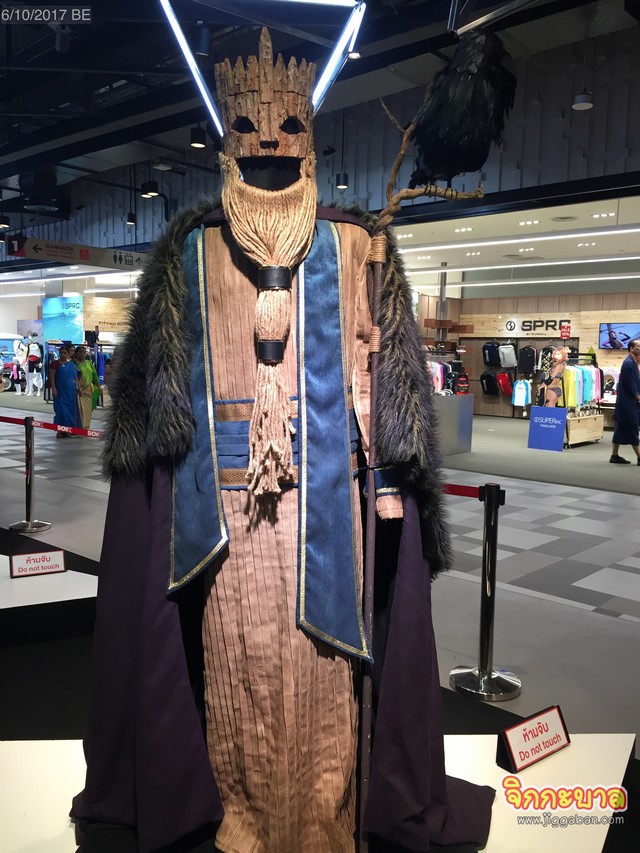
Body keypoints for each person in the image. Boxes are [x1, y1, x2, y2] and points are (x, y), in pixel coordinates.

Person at [72, 29, 494, 853]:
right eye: (248, 130)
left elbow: (380, 376)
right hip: (225, 513)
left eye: (288, 128)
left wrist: (385, 478)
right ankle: (244, 816)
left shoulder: (356, 245)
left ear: (312, 138)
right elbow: (161, 401)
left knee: (323, 666)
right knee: (235, 657)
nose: (268, 142)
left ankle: (324, 819)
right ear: (225, 144)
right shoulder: (190, 253)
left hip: (326, 503)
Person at [610, 338, 640, 464]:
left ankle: (614, 455)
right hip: (628, 402)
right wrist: (637, 396)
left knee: (620, 428)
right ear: (631, 348)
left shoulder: (633, 362)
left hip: (627, 401)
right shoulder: (628, 363)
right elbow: (630, 383)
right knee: (633, 427)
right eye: (638, 346)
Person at [50, 347, 78, 436]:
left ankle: (68, 429)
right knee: (61, 410)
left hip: (70, 391)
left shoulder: (71, 365)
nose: (63, 354)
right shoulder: (55, 363)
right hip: (60, 390)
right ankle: (60, 430)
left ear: (68, 354)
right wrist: (53, 388)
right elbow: (51, 376)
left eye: (65, 353)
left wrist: (79, 389)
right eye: (61, 353)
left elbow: (75, 377)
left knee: (70, 410)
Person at [74, 346, 99, 430]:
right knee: (79, 409)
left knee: (87, 409)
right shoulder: (73, 364)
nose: (82, 354)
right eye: (80, 352)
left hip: (88, 390)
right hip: (77, 390)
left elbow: (94, 375)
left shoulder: (89, 363)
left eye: (84, 352)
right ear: (76, 353)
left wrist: (98, 386)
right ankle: (78, 427)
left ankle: (86, 427)